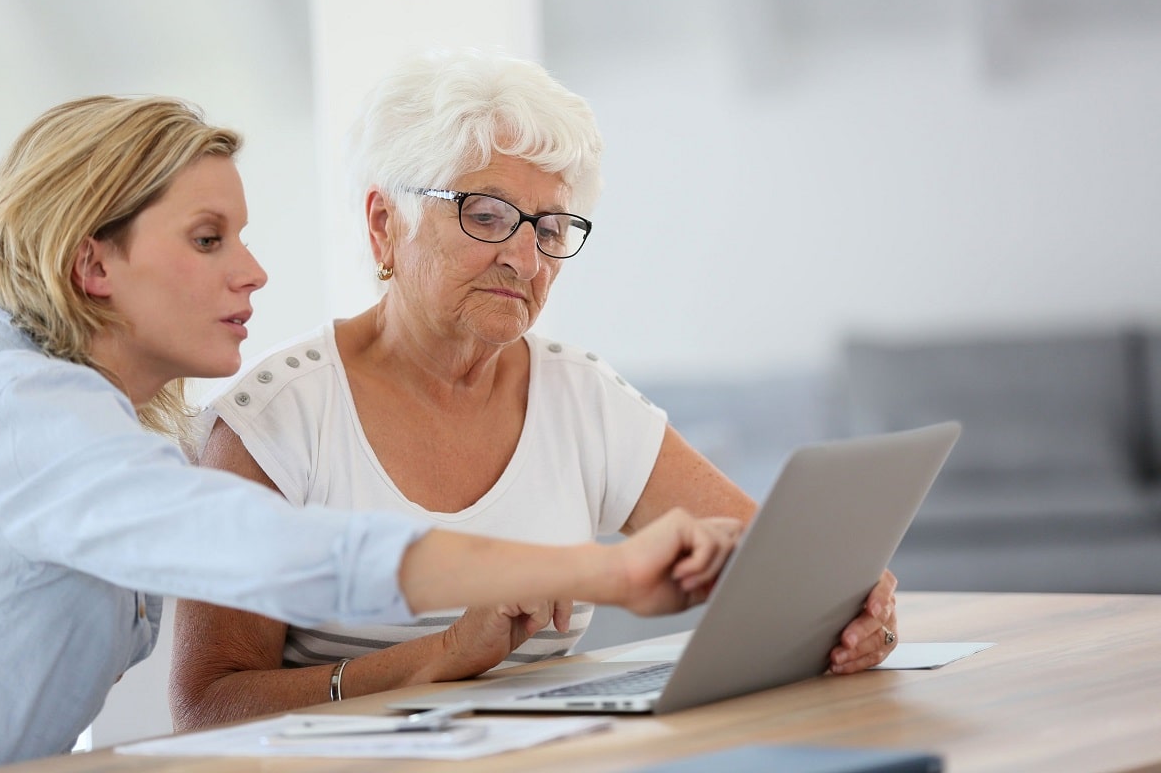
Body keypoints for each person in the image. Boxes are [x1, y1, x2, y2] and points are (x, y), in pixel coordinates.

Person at [0, 94, 742, 771]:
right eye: (207, 239)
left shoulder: (76, 419)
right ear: (93, 267)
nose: (253, 271)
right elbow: (273, 552)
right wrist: (601, 570)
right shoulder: (26, 417)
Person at [169, 48, 900, 731]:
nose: (526, 259)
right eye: (486, 216)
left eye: (550, 228)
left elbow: (774, 567)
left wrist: (851, 606)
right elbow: (206, 709)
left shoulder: (580, 396)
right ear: (385, 224)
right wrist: (441, 656)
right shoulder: (276, 418)